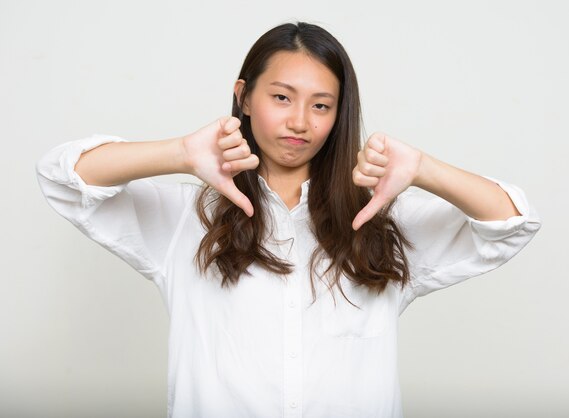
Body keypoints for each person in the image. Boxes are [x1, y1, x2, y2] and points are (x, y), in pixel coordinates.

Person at [36, 21, 541, 418]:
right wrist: (180, 154)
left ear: (338, 114)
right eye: (281, 98)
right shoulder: (187, 218)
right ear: (244, 96)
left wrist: (425, 170)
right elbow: (64, 177)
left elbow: (512, 222)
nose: (300, 121)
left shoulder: (378, 220)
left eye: (321, 105)